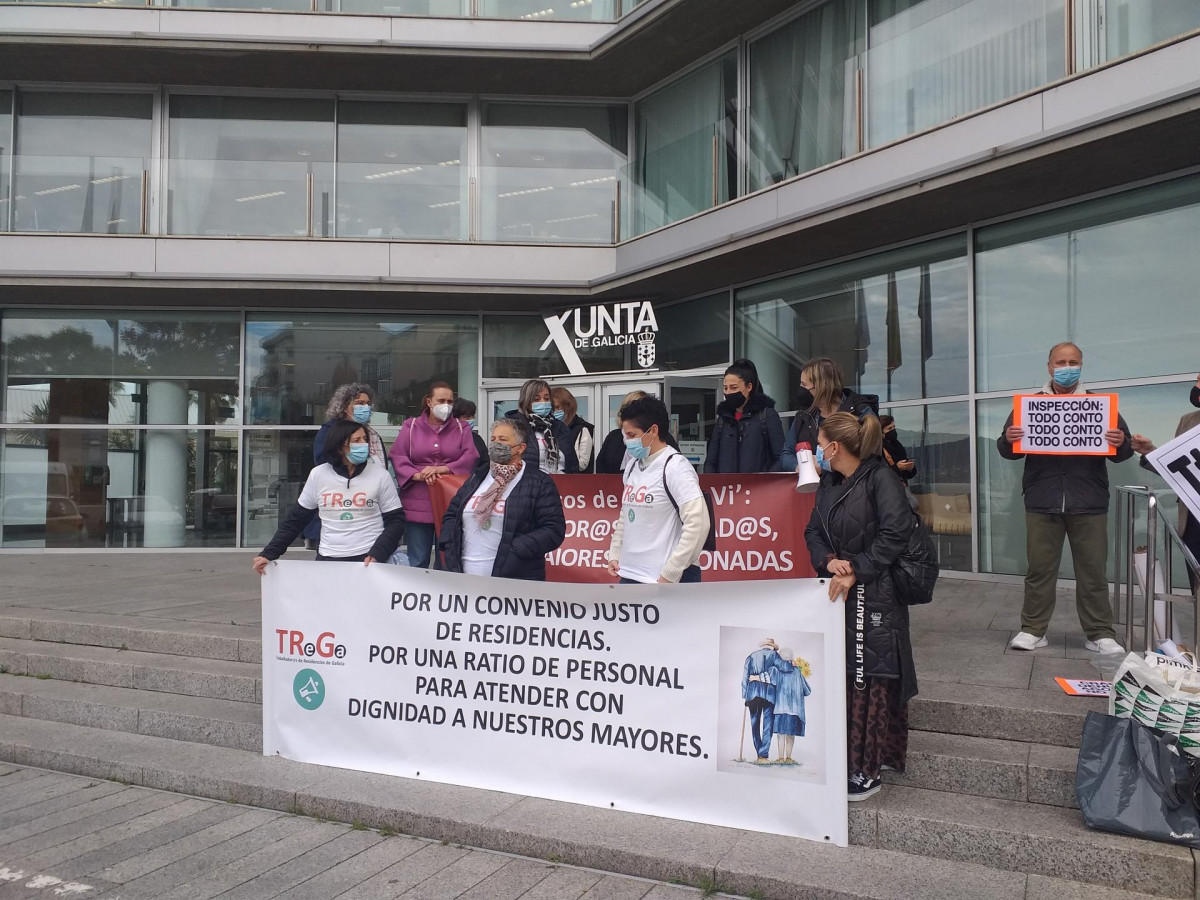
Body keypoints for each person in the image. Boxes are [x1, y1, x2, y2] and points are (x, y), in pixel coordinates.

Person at [804, 411, 916, 801]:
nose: (818, 450)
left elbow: (896, 531)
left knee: (869, 676)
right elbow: (813, 530)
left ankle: (868, 768)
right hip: (842, 592)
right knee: (849, 673)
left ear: (835, 447)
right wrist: (828, 561)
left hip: (877, 594)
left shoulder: (881, 479)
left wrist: (858, 569)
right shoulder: (830, 483)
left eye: (820, 444)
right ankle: (852, 758)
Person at [999, 342, 1131, 653]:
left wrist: (1121, 442)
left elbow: (1121, 454)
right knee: (1039, 570)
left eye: (1073, 361)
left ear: (1082, 365)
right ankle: (1033, 629)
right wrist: (1007, 440)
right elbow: (1007, 450)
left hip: (1089, 503)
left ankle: (1100, 633)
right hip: (1042, 501)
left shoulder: (1101, 406)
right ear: (1049, 366)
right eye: (1061, 361)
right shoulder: (1028, 406)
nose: (1067, 366)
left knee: (1094, 571)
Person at [252, 419, 404, 572]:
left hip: (368, 560)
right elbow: (296, 520)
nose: (363, 444)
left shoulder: (380, 476)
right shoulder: (319, 475)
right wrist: (269, 553)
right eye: (356, 440)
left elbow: (396, 521)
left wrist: (379, 552)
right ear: (339, 447)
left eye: (365, 439)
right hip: (328, 559)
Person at [440, 417, 565, 580]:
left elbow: (553, 530)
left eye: (503, 439)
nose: (496, 443)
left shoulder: (539, 482)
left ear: (520, 448)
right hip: (464, 578)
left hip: (513, 580)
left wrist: (515, 550)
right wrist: (449, 545)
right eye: (493, 439)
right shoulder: (478, 476)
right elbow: (452, 515)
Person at [606, 395, 709, 584]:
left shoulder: (676, 467)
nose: (626, 442)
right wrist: (615, 552)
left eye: (632, 435)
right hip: (630, 573)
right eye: (624, 435)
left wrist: (671, 572)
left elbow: (698, 524)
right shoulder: (633, 466)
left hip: (665, 579)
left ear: (653, 430)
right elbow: (626, 514)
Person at [389, 382, 478, 568]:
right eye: (441, 400)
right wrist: (417, 474)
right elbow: (398, 455)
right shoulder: (410, 426)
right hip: (417, 501)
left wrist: (443, 469)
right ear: (429, 402)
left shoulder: (462, 428)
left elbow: (471, 457)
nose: (446, 405)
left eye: (450, 401)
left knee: (446, 560)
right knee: (418, 559)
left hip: (450, 502)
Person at [303, 382, 388, 549]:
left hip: (370, 510)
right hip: (340, 508)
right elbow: (324, 464)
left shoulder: (372, 433)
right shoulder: (329, 432)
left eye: (368, 404)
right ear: (344, 406)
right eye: (359, 403)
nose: (365, 407)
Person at [1131, 396, 1200, 592]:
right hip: (1193, 520)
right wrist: (1150, 452)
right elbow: (1177, 468)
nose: (1196, 386)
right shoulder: (1189, 420)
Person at [781, 358, 877, 473]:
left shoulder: (859, 411)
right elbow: (786, 455)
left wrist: (825, 466)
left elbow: (871, 455)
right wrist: (801, 466)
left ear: (821, 386)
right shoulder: (803, 417)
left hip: (852, 486)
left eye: (804, 384)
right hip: (815, 487)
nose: (800, 388)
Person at [704, 358, 785, 473]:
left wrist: (765, 483)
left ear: (749, 387)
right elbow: (711, 462)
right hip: (727, 489)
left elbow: (780, 458)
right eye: (725, 388)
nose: (728, 392)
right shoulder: (723, 420)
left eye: (734, 387)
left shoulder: (767, 416)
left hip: (758, 488)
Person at [595, 390, 679, 474]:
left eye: (632, 435)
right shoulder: (614, 437)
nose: (628, 439)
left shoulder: (667, 448)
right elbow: (601, 463)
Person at [506, 379, 579, 475]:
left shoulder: (560, 428)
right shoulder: (514, 427)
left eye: (546, 398)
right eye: (536, 399)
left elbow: (572, 465)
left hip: (562, 485)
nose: (543, 402)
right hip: (531, 485)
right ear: (526, 402)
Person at [741, 639, 792, 763]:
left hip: (752, 693)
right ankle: (763, 755)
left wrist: (744, 695)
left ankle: (760, 752)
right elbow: (785, 667)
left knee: (754, 723)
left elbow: (744, 678)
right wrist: (792, 664)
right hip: (769, 695)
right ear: (772, 647)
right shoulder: (774, 655)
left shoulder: (751, 656)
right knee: (768, 724)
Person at [772, 648, 812, 763]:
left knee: (780, 735)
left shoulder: (777, 670)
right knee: (790, 735)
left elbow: (772, 683)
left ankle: (780, 758)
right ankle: (789, 758)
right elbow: (807, 691)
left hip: (780, 708)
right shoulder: (797, 672)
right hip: (795, 710)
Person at [551, 386, 595, 473]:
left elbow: (582, 464)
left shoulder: (581, 429)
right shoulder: (549, 429)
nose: (554, 411)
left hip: (574, 480)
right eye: (552, 408)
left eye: (557, 407)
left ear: (568, 407)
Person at [451, 397, 489, 474]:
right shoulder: (445, 439)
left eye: (473, 416)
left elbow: (485, 463)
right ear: (455, 418)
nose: (471, 419)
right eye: (467, 417)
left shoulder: (476, 438)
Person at [878, 415, 917, 482]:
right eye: (889, 428)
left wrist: (909, 468)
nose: (893, 430)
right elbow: (878, 474)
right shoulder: (876, 449)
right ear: (881, 432)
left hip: (900, 485)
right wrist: (897, 468)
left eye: (894, 427)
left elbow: (907, 475)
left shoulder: (897, 445)